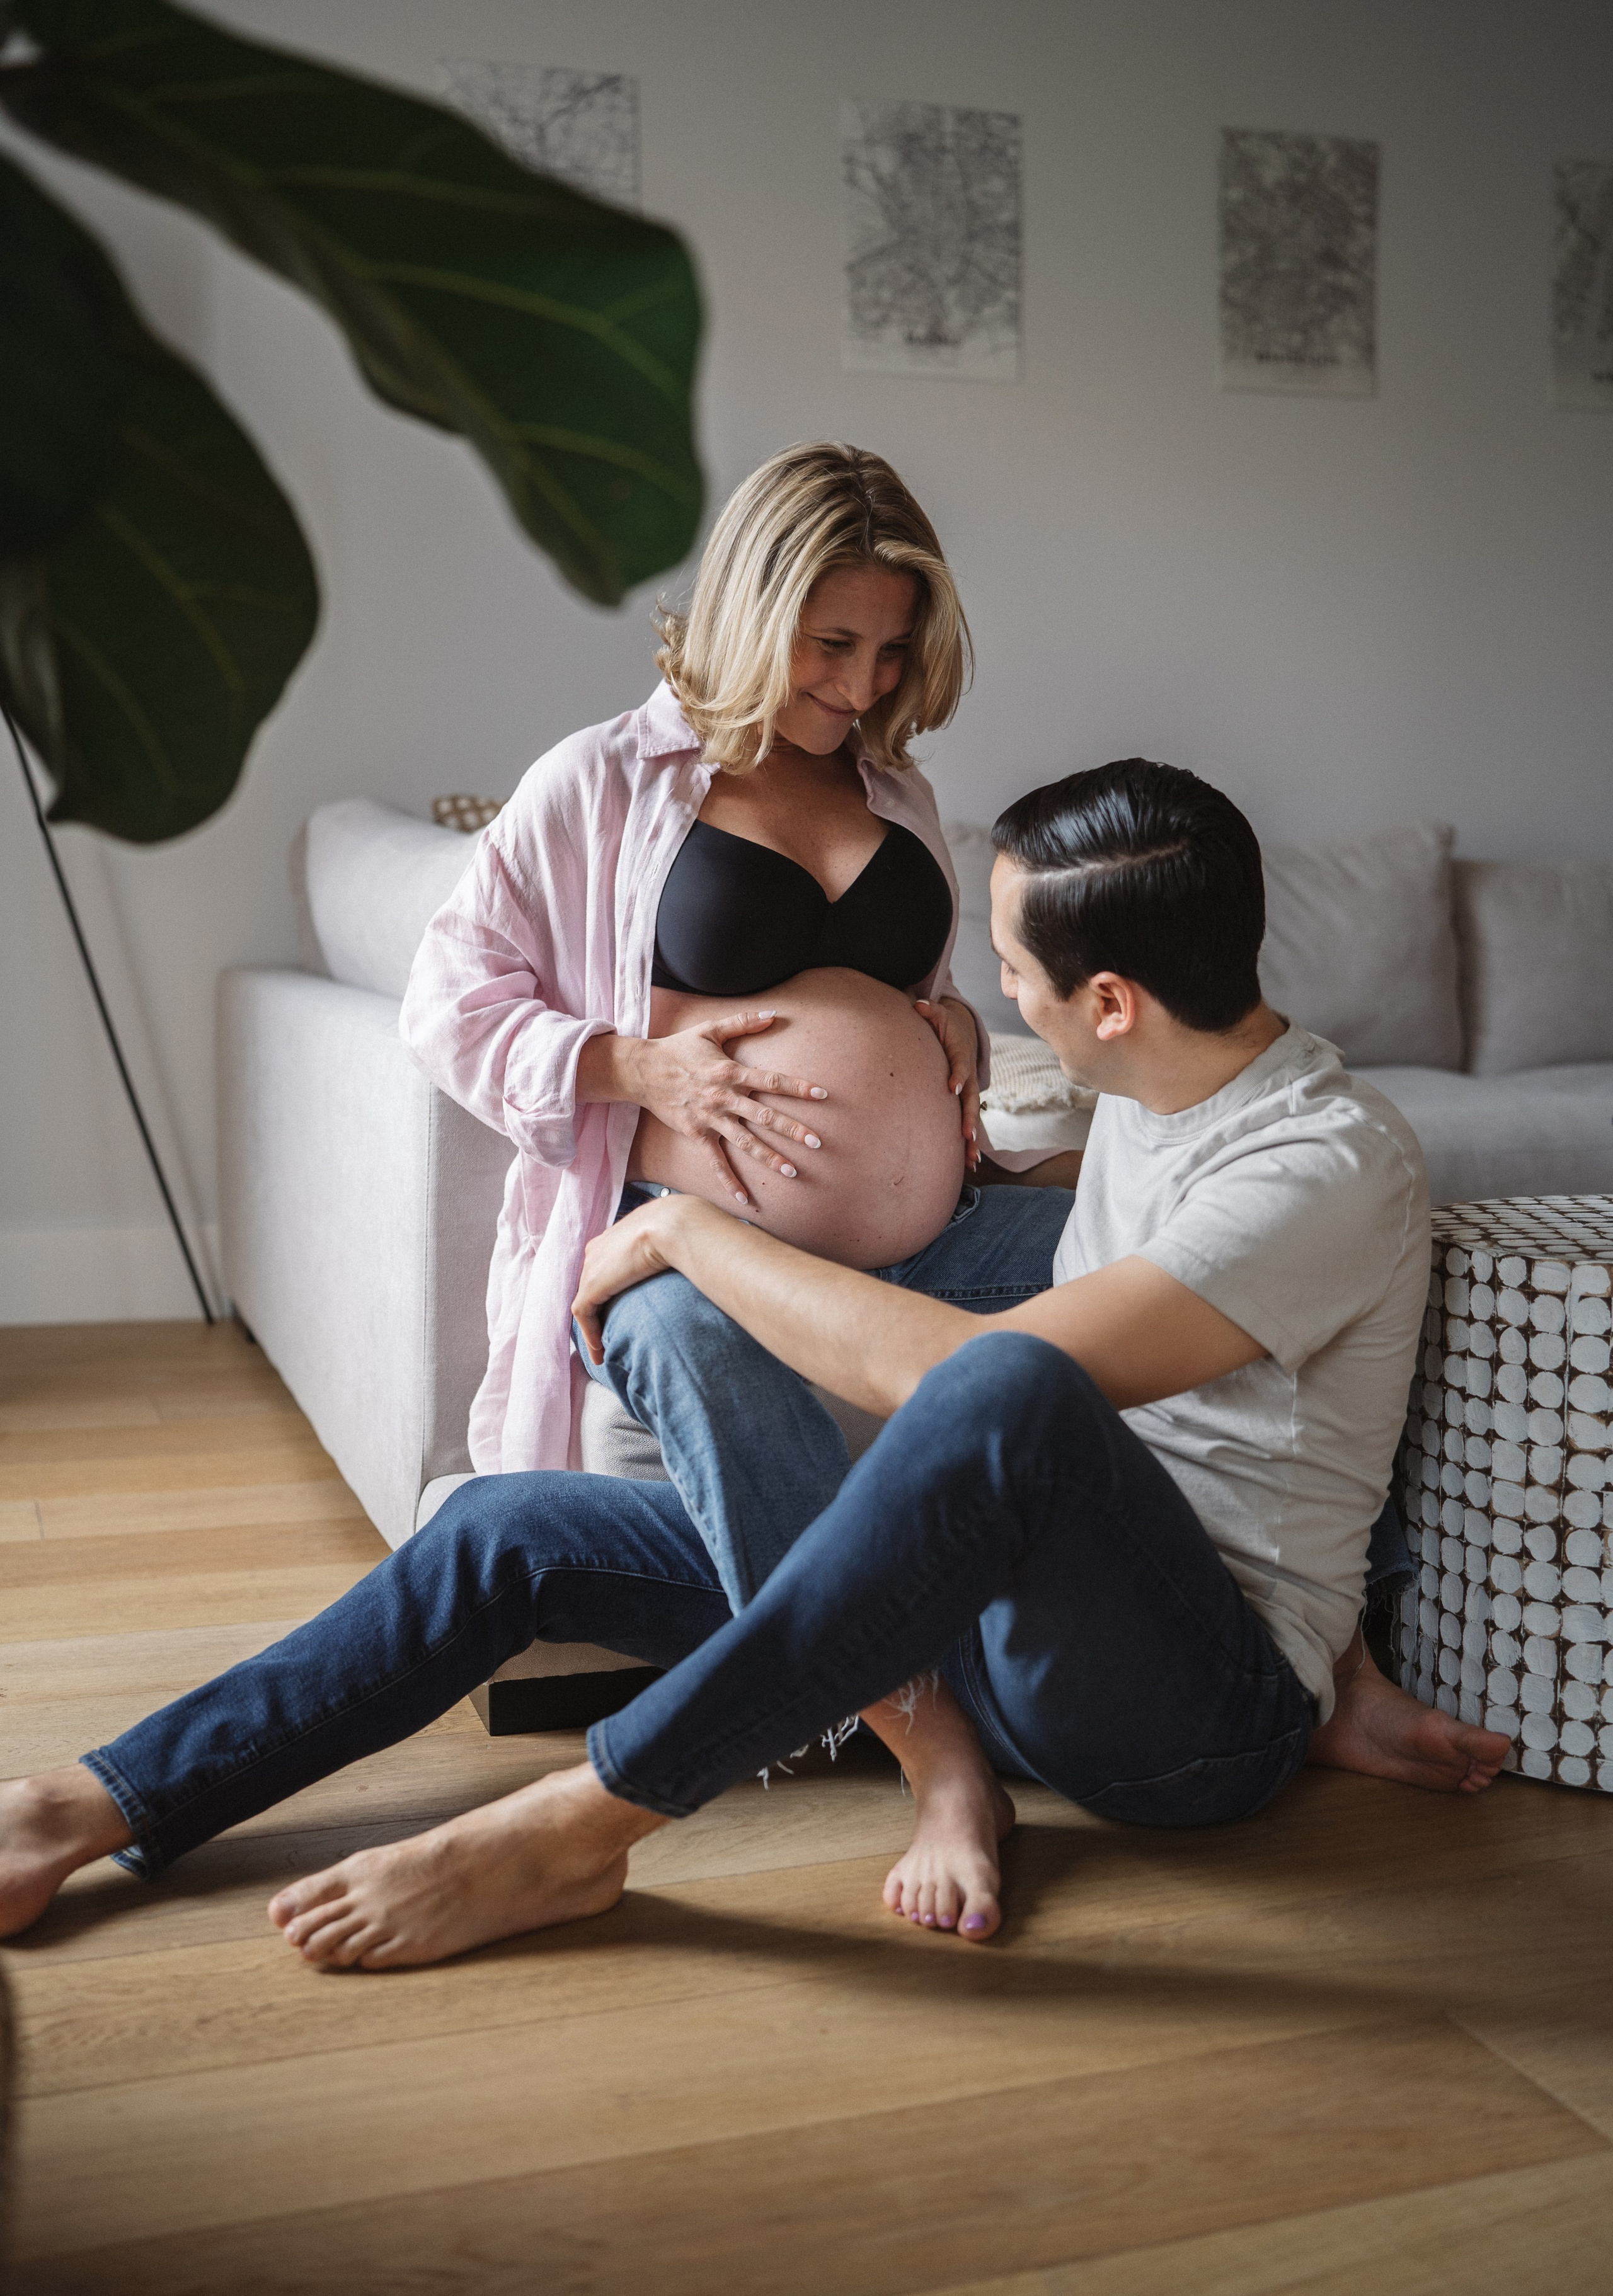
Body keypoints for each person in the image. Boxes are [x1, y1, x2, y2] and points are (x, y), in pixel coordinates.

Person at [0, 762, 1512, 1962]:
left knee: (1003, 1383)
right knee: (501, 1525)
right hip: (1027, 1616)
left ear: (1106, 1002)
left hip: (1189, 1717)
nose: (989, 995)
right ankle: (105, 1797)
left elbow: (970, 1381)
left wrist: (689, 1237)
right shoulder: (1166, 1091)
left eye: (1006, 972)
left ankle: (585, 1820)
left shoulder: (1323, 1165)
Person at [399, 439, 1071, 1495]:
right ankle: (857, 1655)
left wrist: (961, 1035)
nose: (861, 684)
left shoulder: (898, 794)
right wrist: (637, 1068)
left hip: (937, 1242)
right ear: (753, 611)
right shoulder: (604, 781)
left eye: (892, 648)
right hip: (692, 1253)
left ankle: (1313, 1633)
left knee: (1193, 1240)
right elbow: (446, 1003)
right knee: (687, 1341)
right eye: (833, 642)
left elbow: (912, 1004)